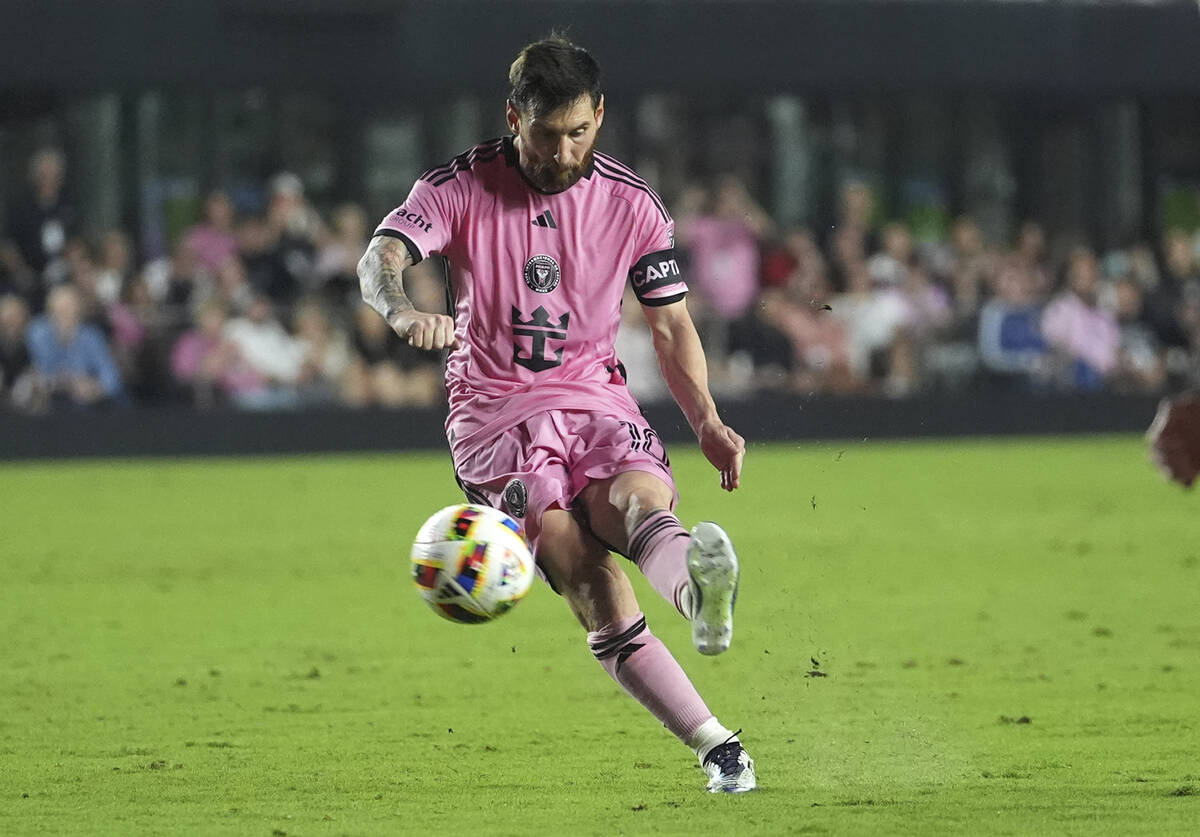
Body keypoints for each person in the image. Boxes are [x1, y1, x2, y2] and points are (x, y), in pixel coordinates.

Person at [357, 35, 754, 794]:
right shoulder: (458, 186)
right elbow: (381, 255)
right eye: (547, 134)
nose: (563, 150)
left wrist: (705, 418)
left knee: (641, 503)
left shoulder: (633, 204)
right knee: (582, 567)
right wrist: (403, 311)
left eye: (579, 132)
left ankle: (701, 596)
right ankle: (717, 745)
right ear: (514, 117)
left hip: (595, 396)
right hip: (495, 416)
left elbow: (671, 326)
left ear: (600, 116)